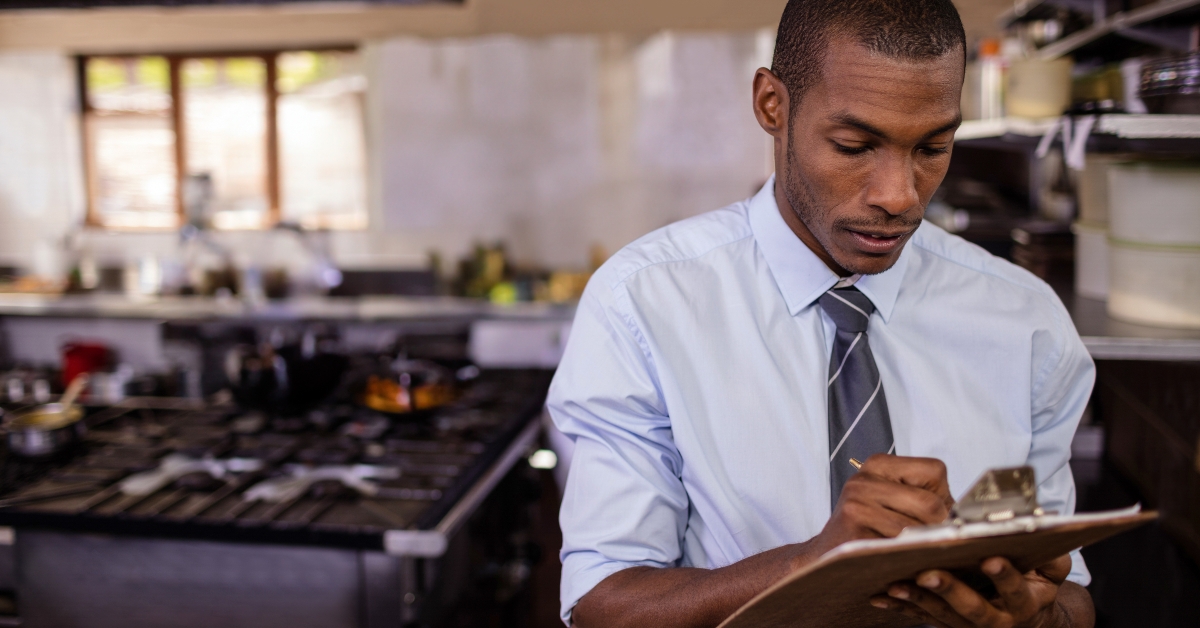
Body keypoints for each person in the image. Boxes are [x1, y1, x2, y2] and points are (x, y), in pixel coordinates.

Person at [547, 1, 1097, 627]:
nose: (899, 196)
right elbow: (604, 607)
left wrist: (1037, 619)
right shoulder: (645, 304)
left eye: (933, 147)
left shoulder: (1024, 322)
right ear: (771, 106)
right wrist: (816, 564)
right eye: (854, 145)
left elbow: (1070, 590)